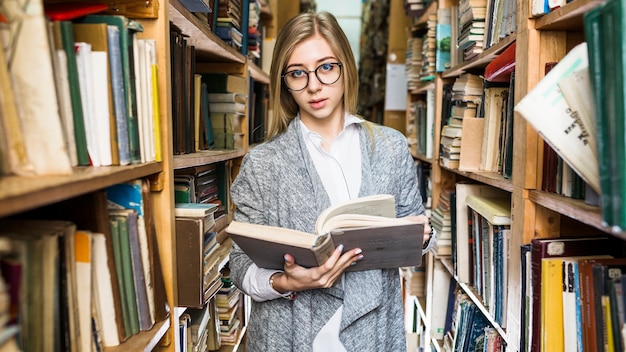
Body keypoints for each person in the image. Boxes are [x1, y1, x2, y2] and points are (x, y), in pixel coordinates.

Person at [228, 11, 433, 352]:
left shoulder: (390, 147)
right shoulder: (262, 164)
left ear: (345, 67)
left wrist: (421, 234)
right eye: (297, 73)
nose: (313, 85)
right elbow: (239, 266)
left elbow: (417, 237)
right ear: (284, 81)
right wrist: (283, 281)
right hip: (290, 332)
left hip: (373, 329)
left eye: (326, 67)